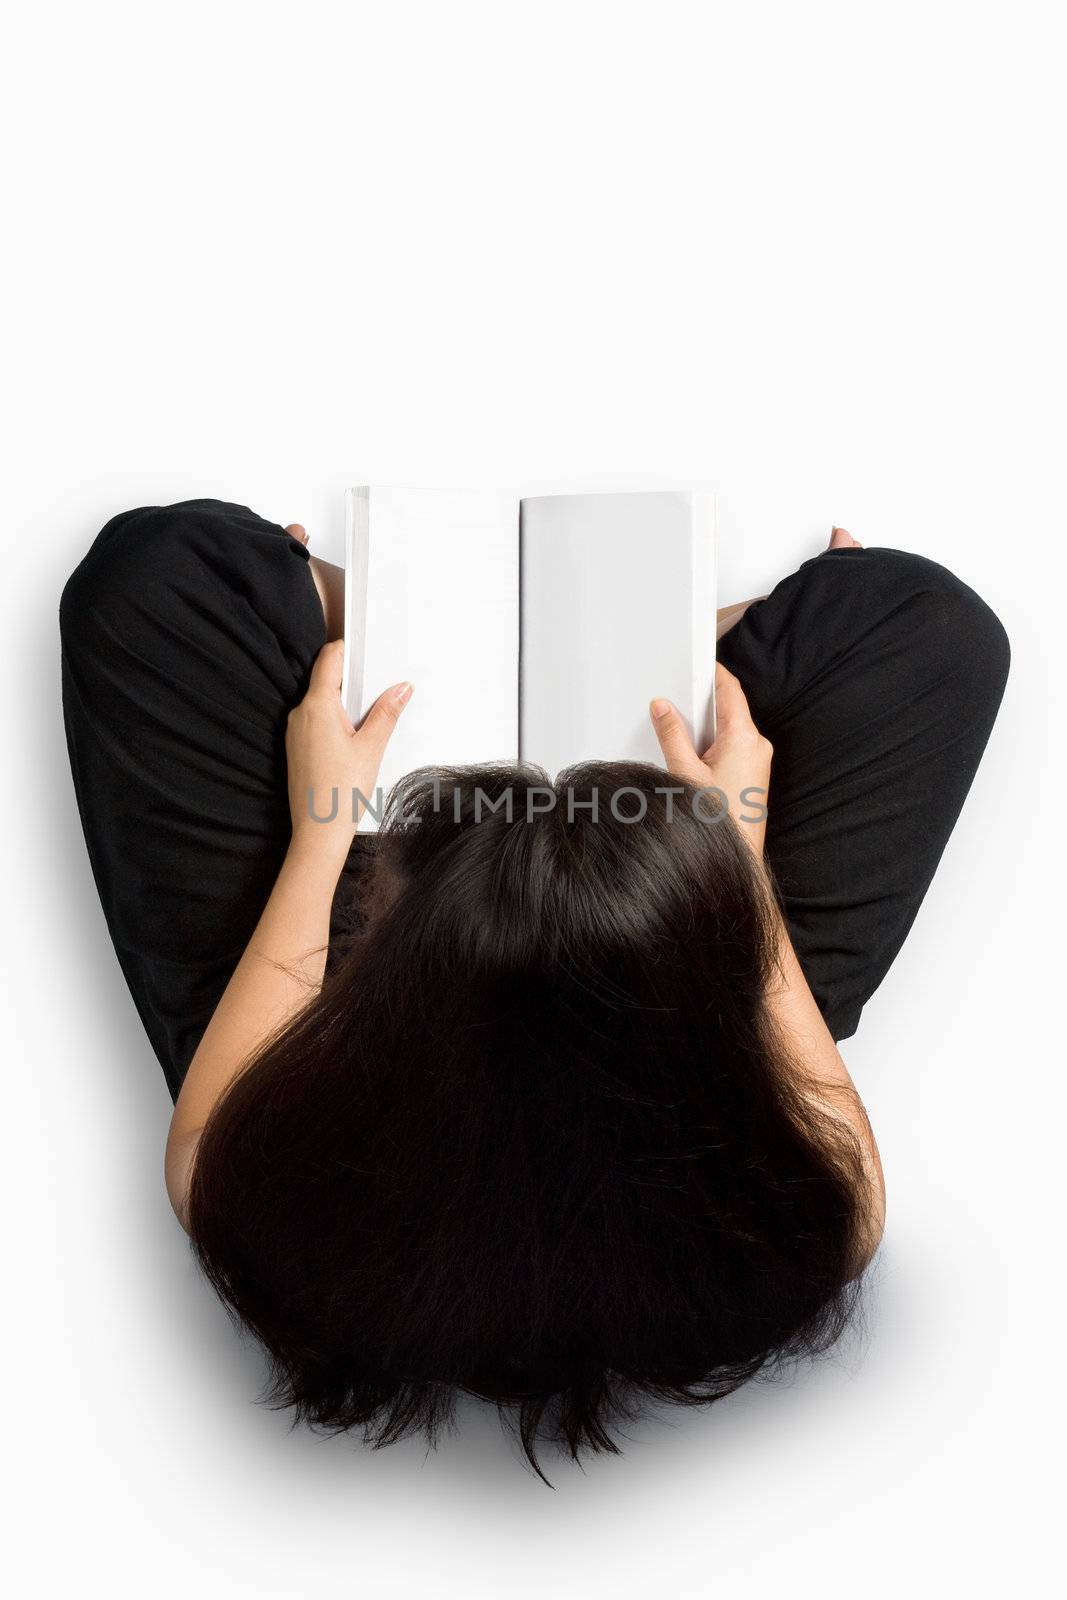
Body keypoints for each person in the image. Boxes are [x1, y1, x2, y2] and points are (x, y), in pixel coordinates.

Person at [59, 500, 1009, 1483]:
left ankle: (387, 626)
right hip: (681, 947)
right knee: (927, 628)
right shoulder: (797, 1207)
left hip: (350, 986)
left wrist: (325, 826)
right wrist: (726, 865)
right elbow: (837, 1160)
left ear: (398, 954)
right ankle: (692, 650)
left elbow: (219, 1121)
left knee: (160, 572)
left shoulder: (265, 1171)